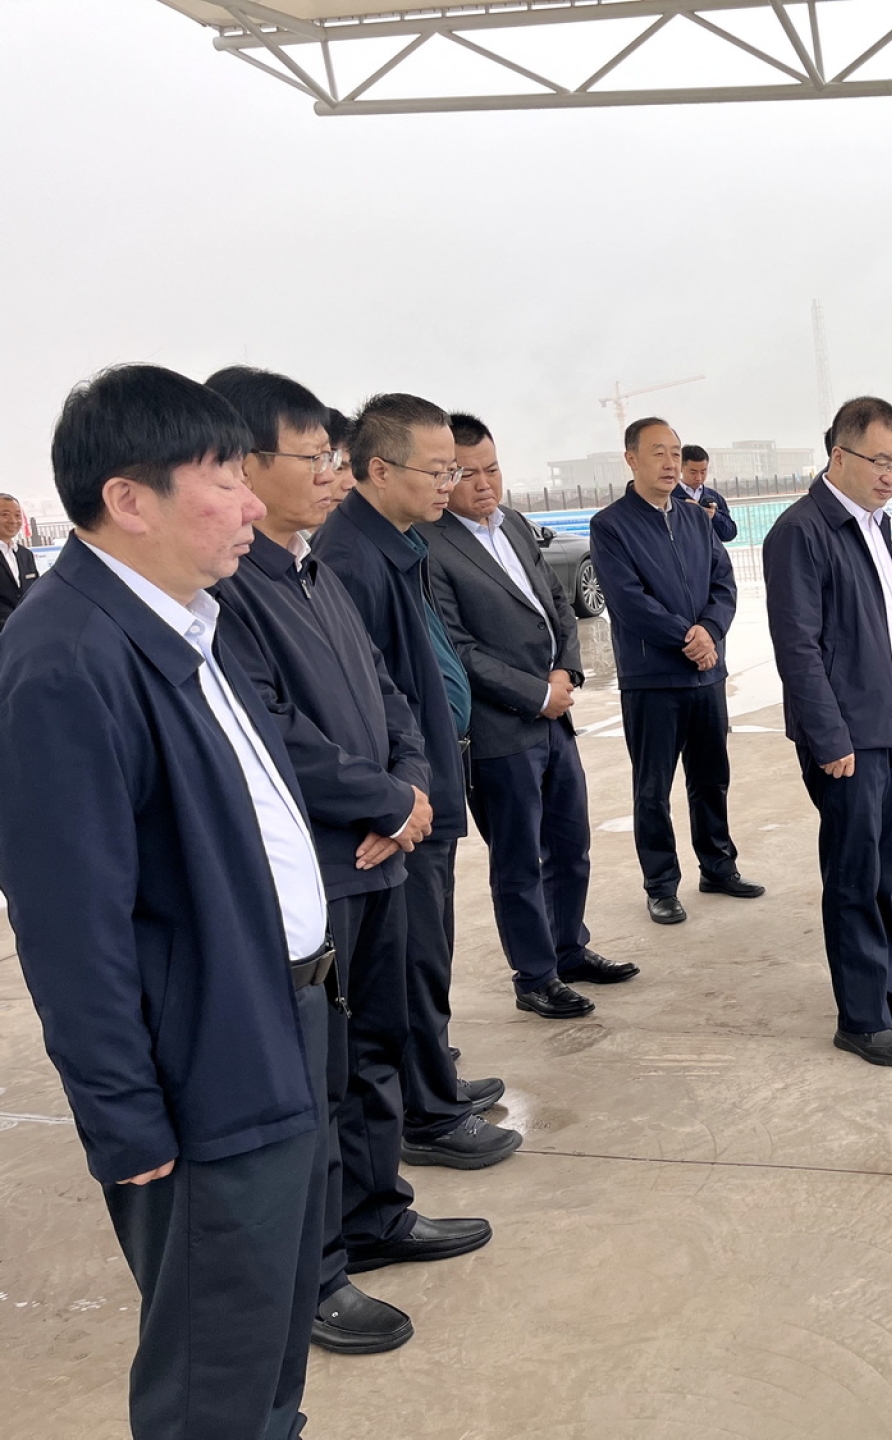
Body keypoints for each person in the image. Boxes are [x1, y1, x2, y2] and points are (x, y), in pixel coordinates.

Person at [0, 364, 331, 1438]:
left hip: (277, 1023)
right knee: (213, 1374)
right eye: (223, 479)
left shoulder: (186, 623)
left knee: (271, 1342)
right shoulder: (67, 660)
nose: (250, 505)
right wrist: (123, 1118)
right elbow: (70, 928)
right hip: (204, 1068)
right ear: (128, 499)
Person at [206, 368, 496, 1357]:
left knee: (376, 1045)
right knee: (316, 1078)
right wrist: (386, 802)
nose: (333, 474)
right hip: (324, 864)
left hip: (381, 849)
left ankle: (376, 1213)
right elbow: (273, 732)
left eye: (335, 456)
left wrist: (409, 789)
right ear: (246, 465)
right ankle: (320, 1270)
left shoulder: (310, 571)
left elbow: (392, 695)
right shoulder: (233, 588)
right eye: (316, 457)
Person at [313, 394, 523, 1170]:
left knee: (430, 948)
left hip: (425, 777)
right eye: (438, 471)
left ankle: (436, 1077)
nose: (451, 484)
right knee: (411, 961)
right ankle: (427, 1114)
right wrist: (392, 796)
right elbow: (352, 703)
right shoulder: (349, 558)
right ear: (378, 468)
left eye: (456, 470)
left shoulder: (399, 545)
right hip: (404, 801)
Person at [764, 397, 892, 1066]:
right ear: (839, 455)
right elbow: (798, 648)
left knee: (890, 865)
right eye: (880, 461)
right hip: (848, 733)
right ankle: (862, 1016)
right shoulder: (802, 531)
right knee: (854, 873)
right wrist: (829, 738)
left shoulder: (877, 524)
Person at [426, 412, 635, 1019]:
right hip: (500, 732)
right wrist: (536, 694)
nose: (484, 484)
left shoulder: (514, 524)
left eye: (492, 469)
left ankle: (569, 949)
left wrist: (566, 673)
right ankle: (535, 975)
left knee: (570, 844)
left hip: (555, 718)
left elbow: (561, 607)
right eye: (467, 474)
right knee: (520, 860)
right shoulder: (432, 547)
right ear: (444, 476)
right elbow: (457, 648)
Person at [591, 416, 762, 924]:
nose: (670, 463)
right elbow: (628, 601)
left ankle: (718, 866)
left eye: (675, 453)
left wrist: (710, 629)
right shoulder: (611, 525)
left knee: (711, 778)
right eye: (658, 453)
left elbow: (723, 583)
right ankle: (661, 884)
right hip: (653, 678)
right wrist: (689, 638)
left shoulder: (694, 519)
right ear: (631, 459)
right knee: (653, 788)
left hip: (706, 676)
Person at [678, 444, 738, 541]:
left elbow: (730, 534)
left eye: (703, 472)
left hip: (710, 551)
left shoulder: (714, 497)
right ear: (680, 467)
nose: (698, 478)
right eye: (693, 472)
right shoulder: (669, 496)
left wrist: (714, 516)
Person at [0, 491, 41, 626]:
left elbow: (35, 591)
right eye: (5, 515)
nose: (13, 520)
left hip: (26, 629)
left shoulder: (25, 555)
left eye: (17, 515)